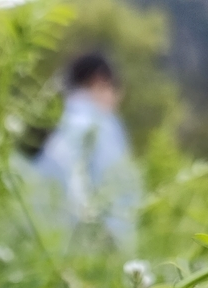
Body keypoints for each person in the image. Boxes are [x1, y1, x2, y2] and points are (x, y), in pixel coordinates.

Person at [29, 53, 141, 255]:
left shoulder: (53, 123)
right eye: (116, 89)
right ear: (99, 81)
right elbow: (116, 189)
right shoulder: (100, 124)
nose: (117, 101)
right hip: (88, 249)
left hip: (41, 247)